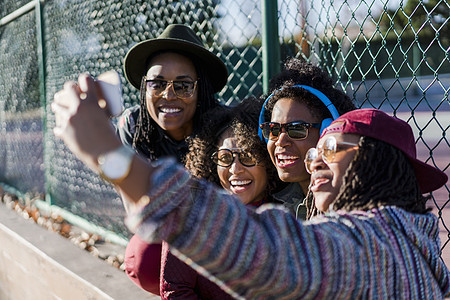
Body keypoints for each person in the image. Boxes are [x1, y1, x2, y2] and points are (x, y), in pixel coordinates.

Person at [53, 73, 450, 298]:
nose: (313, 158)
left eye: (332, 148)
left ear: (377, 162)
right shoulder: (413, 237)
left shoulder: (371, 246)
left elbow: (263, 252)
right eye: (273, 130)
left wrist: (111, 154)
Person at [117, 23, 228, 294]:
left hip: (218, 235)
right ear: (144, 88)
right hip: (164, 231)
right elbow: (137, 211)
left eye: (183, 85)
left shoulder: (224, 128)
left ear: (201, 89)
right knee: (142, 259)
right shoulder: (133, 127)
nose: (169, 95)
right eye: (157, 84)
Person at [160, 97, 283, 299]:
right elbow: (176, 291)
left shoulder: (288, 213)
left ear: (267, 161)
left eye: (248, 156)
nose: (235, 169)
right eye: (225, 158)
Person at [259, 58, 356, 218]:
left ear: (327, 132)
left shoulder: (347, 206)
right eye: (273, 129)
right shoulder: (276, 202)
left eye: (297, 129)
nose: (281, 141)